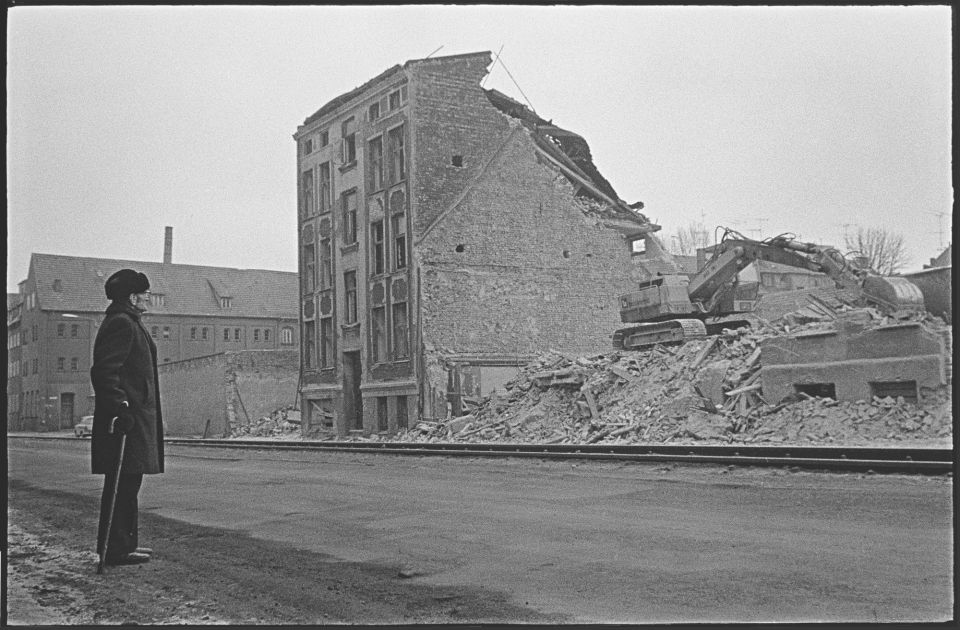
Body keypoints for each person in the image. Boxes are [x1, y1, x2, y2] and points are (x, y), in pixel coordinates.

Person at [90, 269, 165, 566]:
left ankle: (124, 545)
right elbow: (105, 371)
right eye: (144, 294)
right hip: (126, 421)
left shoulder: (130, 321)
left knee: (129, 483)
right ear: (133, 297)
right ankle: (115, 549)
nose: (147, 298)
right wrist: (120, 406)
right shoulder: (121, 323)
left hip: (134, 418)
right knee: (122, 484)